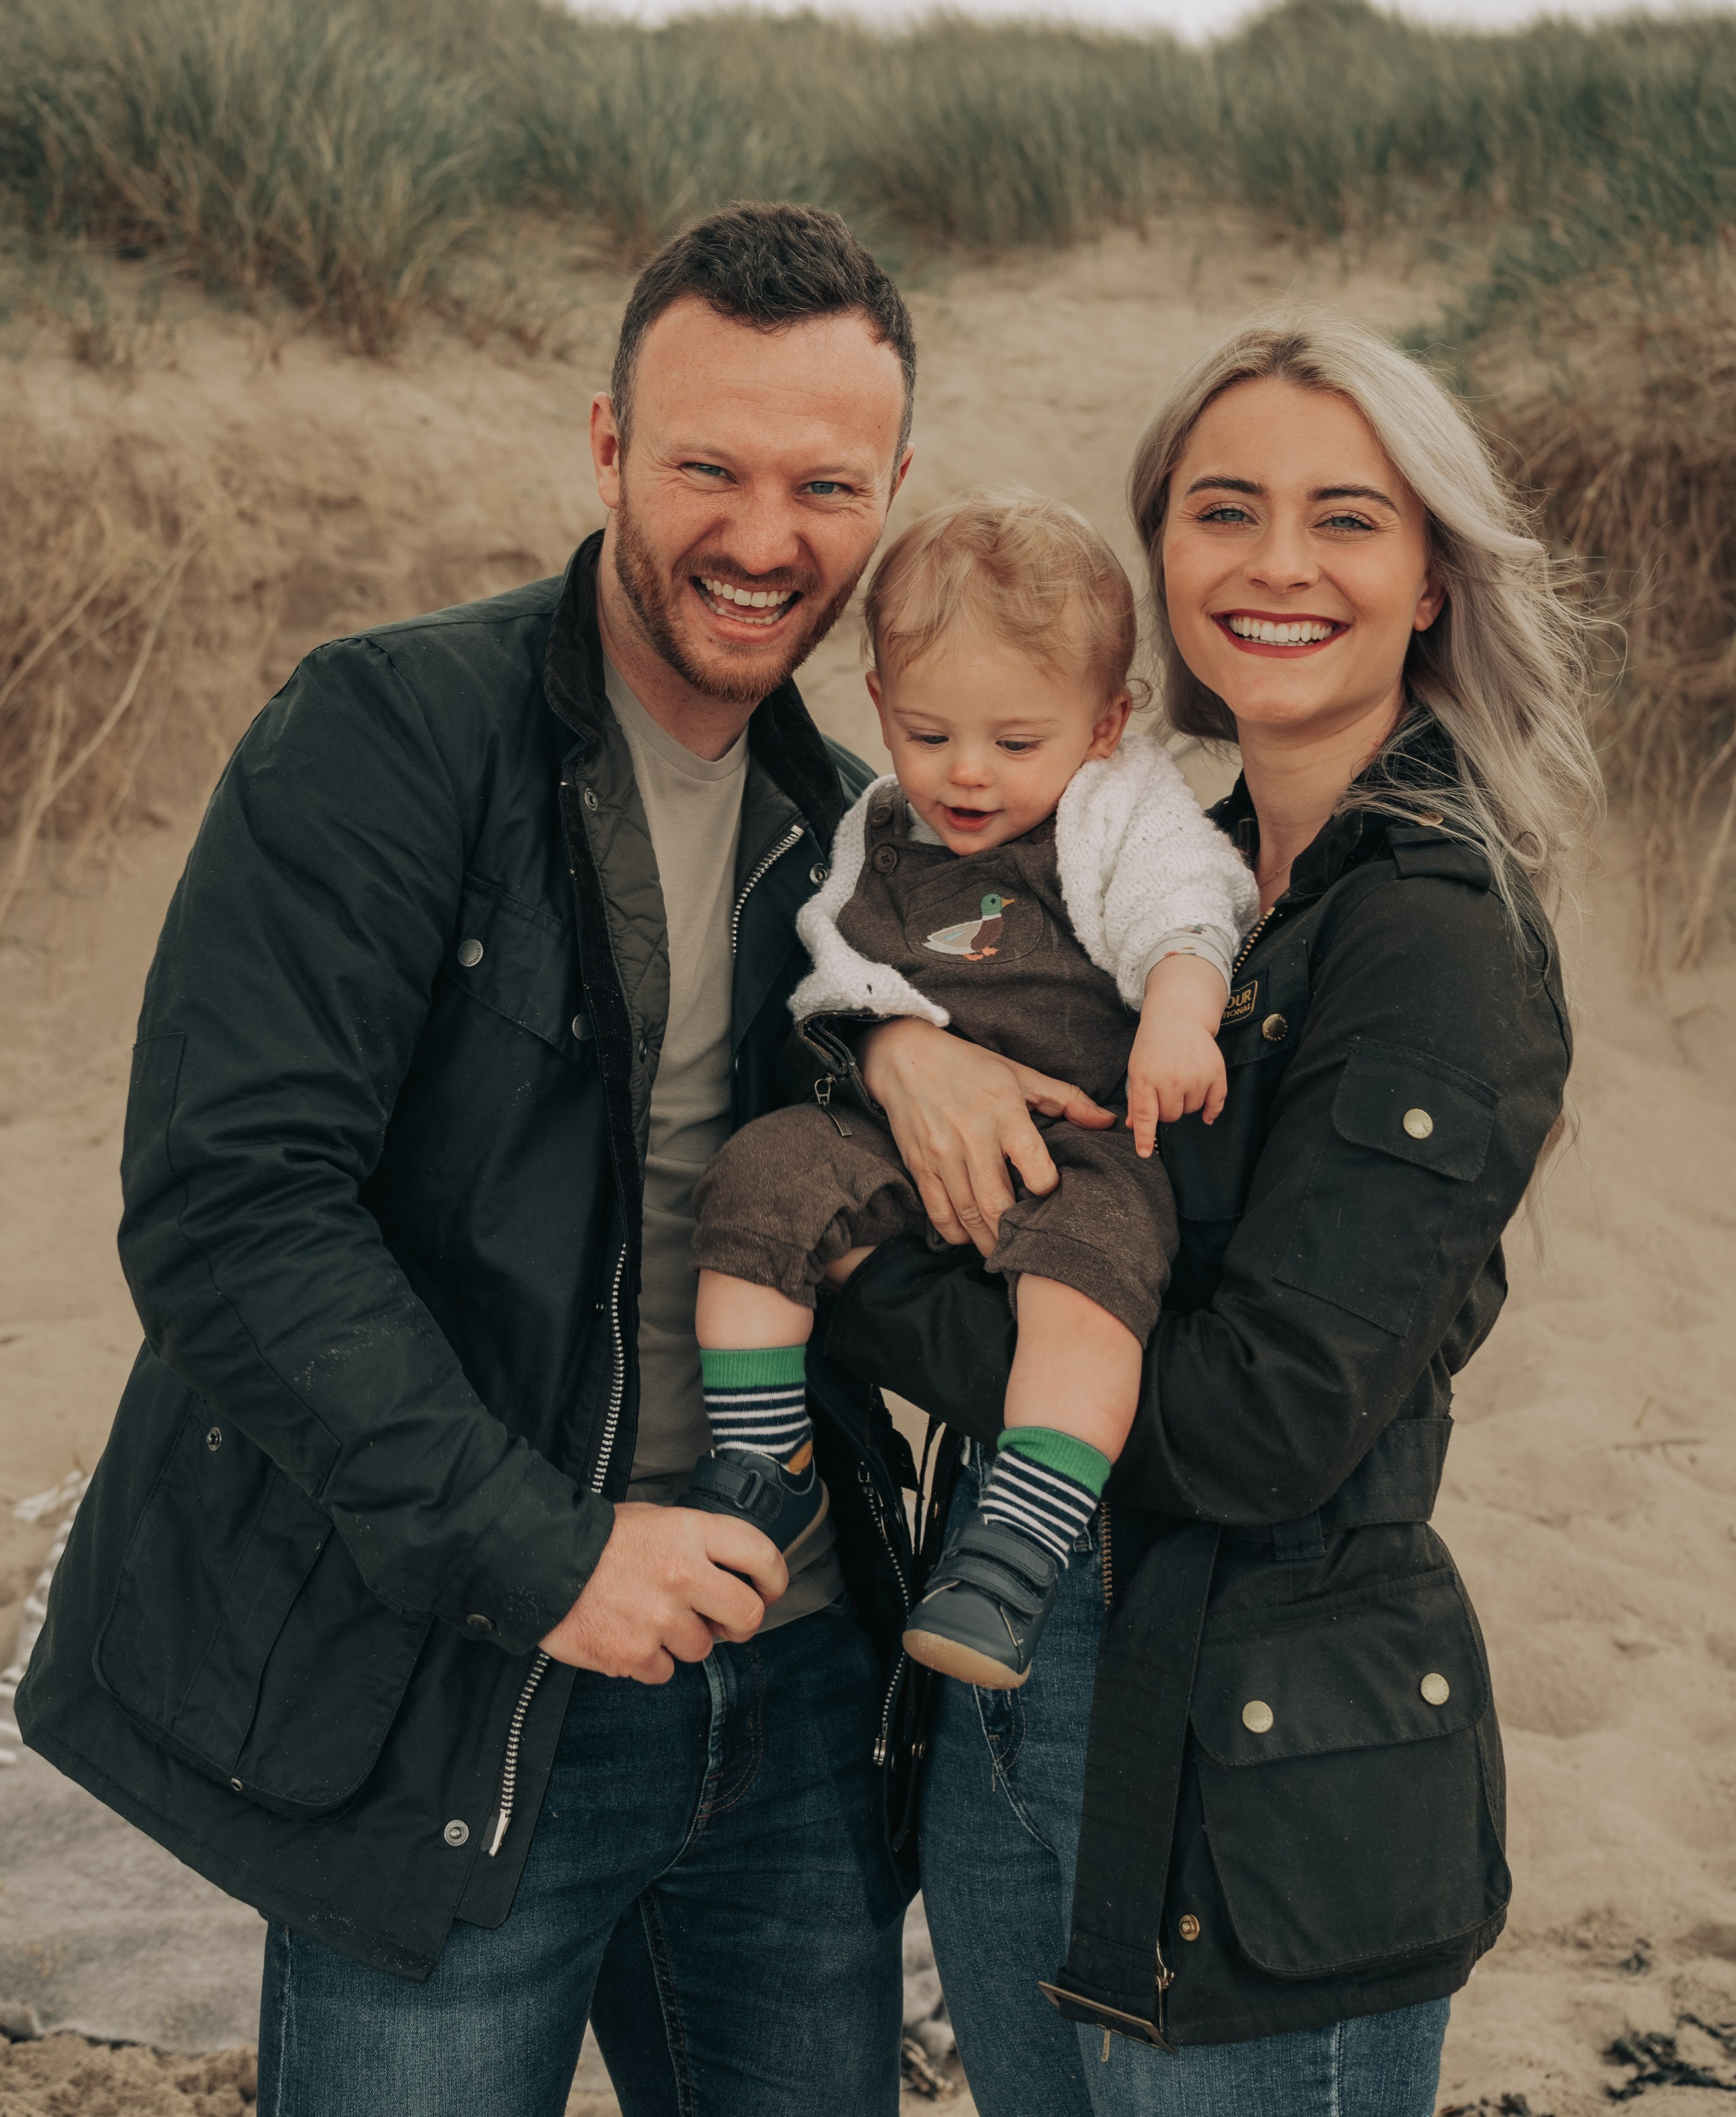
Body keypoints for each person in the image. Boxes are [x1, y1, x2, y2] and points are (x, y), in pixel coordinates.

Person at [18, 203, 926, 2117]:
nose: (765, 538)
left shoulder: (859, 841)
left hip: (793, 1685)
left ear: (892, 489)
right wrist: (552, 1559)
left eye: (825, 484)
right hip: (464, 1668)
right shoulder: (392, 731)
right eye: (708, 466)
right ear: (605, 448)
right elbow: (228, 1212)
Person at [816, 317, 1598, 2114]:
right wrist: (904, 1072)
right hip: (1007, 1684)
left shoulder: (1430, 931)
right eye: (1223, 511)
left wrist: (864, 1291)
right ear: (1161, 561)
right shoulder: (1146, 870)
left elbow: (1262, 1426)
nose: (1276, 564)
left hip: (1266, 1756)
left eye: (1347, 518)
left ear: (1429, 581)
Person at [680, 493, 1255, 1690]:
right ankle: (761, 1459)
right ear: (881, 705)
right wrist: (881, 1034)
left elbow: (1188, 903)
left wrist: (1182, 1018)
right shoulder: (878, 824)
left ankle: (1020, 1539)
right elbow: (832, 958)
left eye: (1015, 742)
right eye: (931, 735)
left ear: (1107, 722)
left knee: (1091, 1285)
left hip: (1078, 1132)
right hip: (895, 1123)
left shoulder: (1117, 807)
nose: (969, 775)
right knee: (759, 1179)